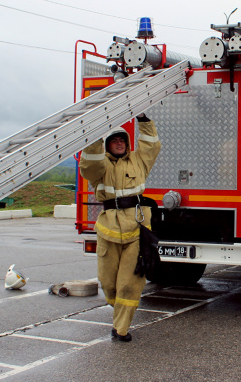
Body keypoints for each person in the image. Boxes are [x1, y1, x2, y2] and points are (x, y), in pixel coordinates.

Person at [79, 113, 160, 342]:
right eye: (114, 140)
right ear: (107, 144)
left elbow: (151, 144)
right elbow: (89, 161)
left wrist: (143, 119)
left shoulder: (139, 160)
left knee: (130, 283)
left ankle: (121, 328)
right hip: (108, 229)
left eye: (122, 140)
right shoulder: (99, 165)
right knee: (107, 282)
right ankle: (119, 313)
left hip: (137, 228)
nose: (119, 143)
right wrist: (95, 131)